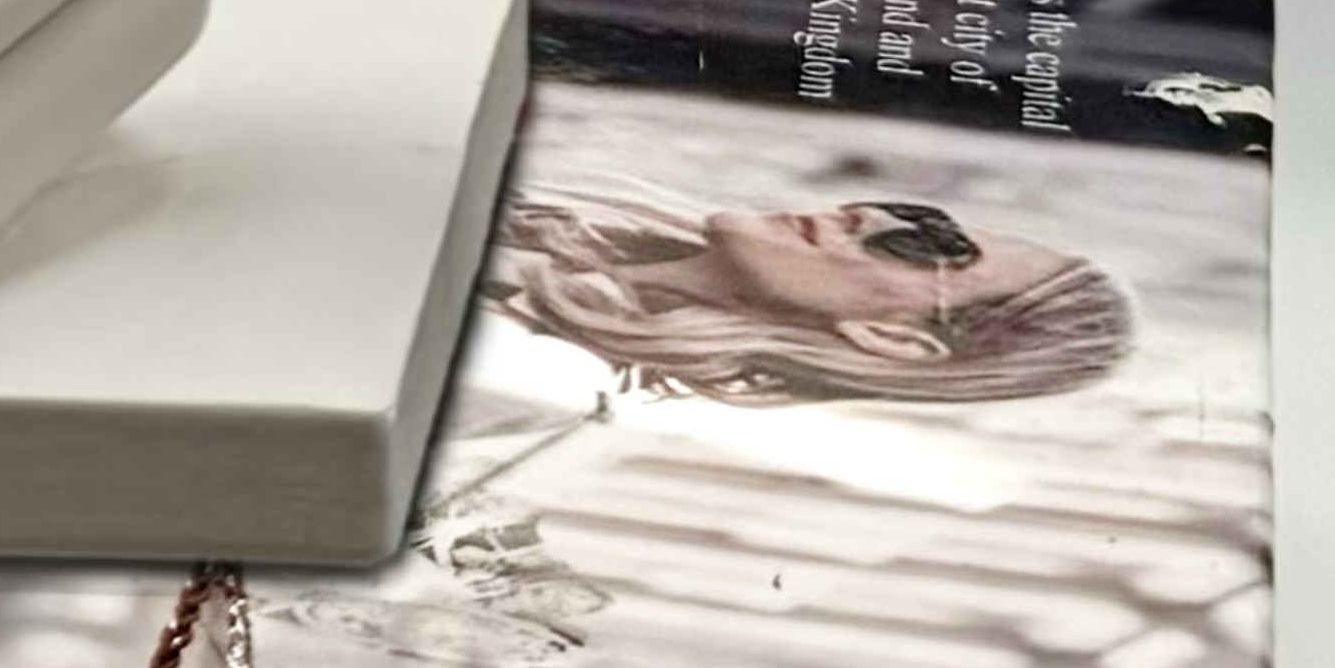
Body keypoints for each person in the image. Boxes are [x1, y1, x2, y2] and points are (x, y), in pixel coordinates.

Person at [479, 177, 1132, 408]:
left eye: (928, 246)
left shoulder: (530, 364)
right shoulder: (572, 228)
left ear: (891, 337)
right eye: (921, 216)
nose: (871, 215)